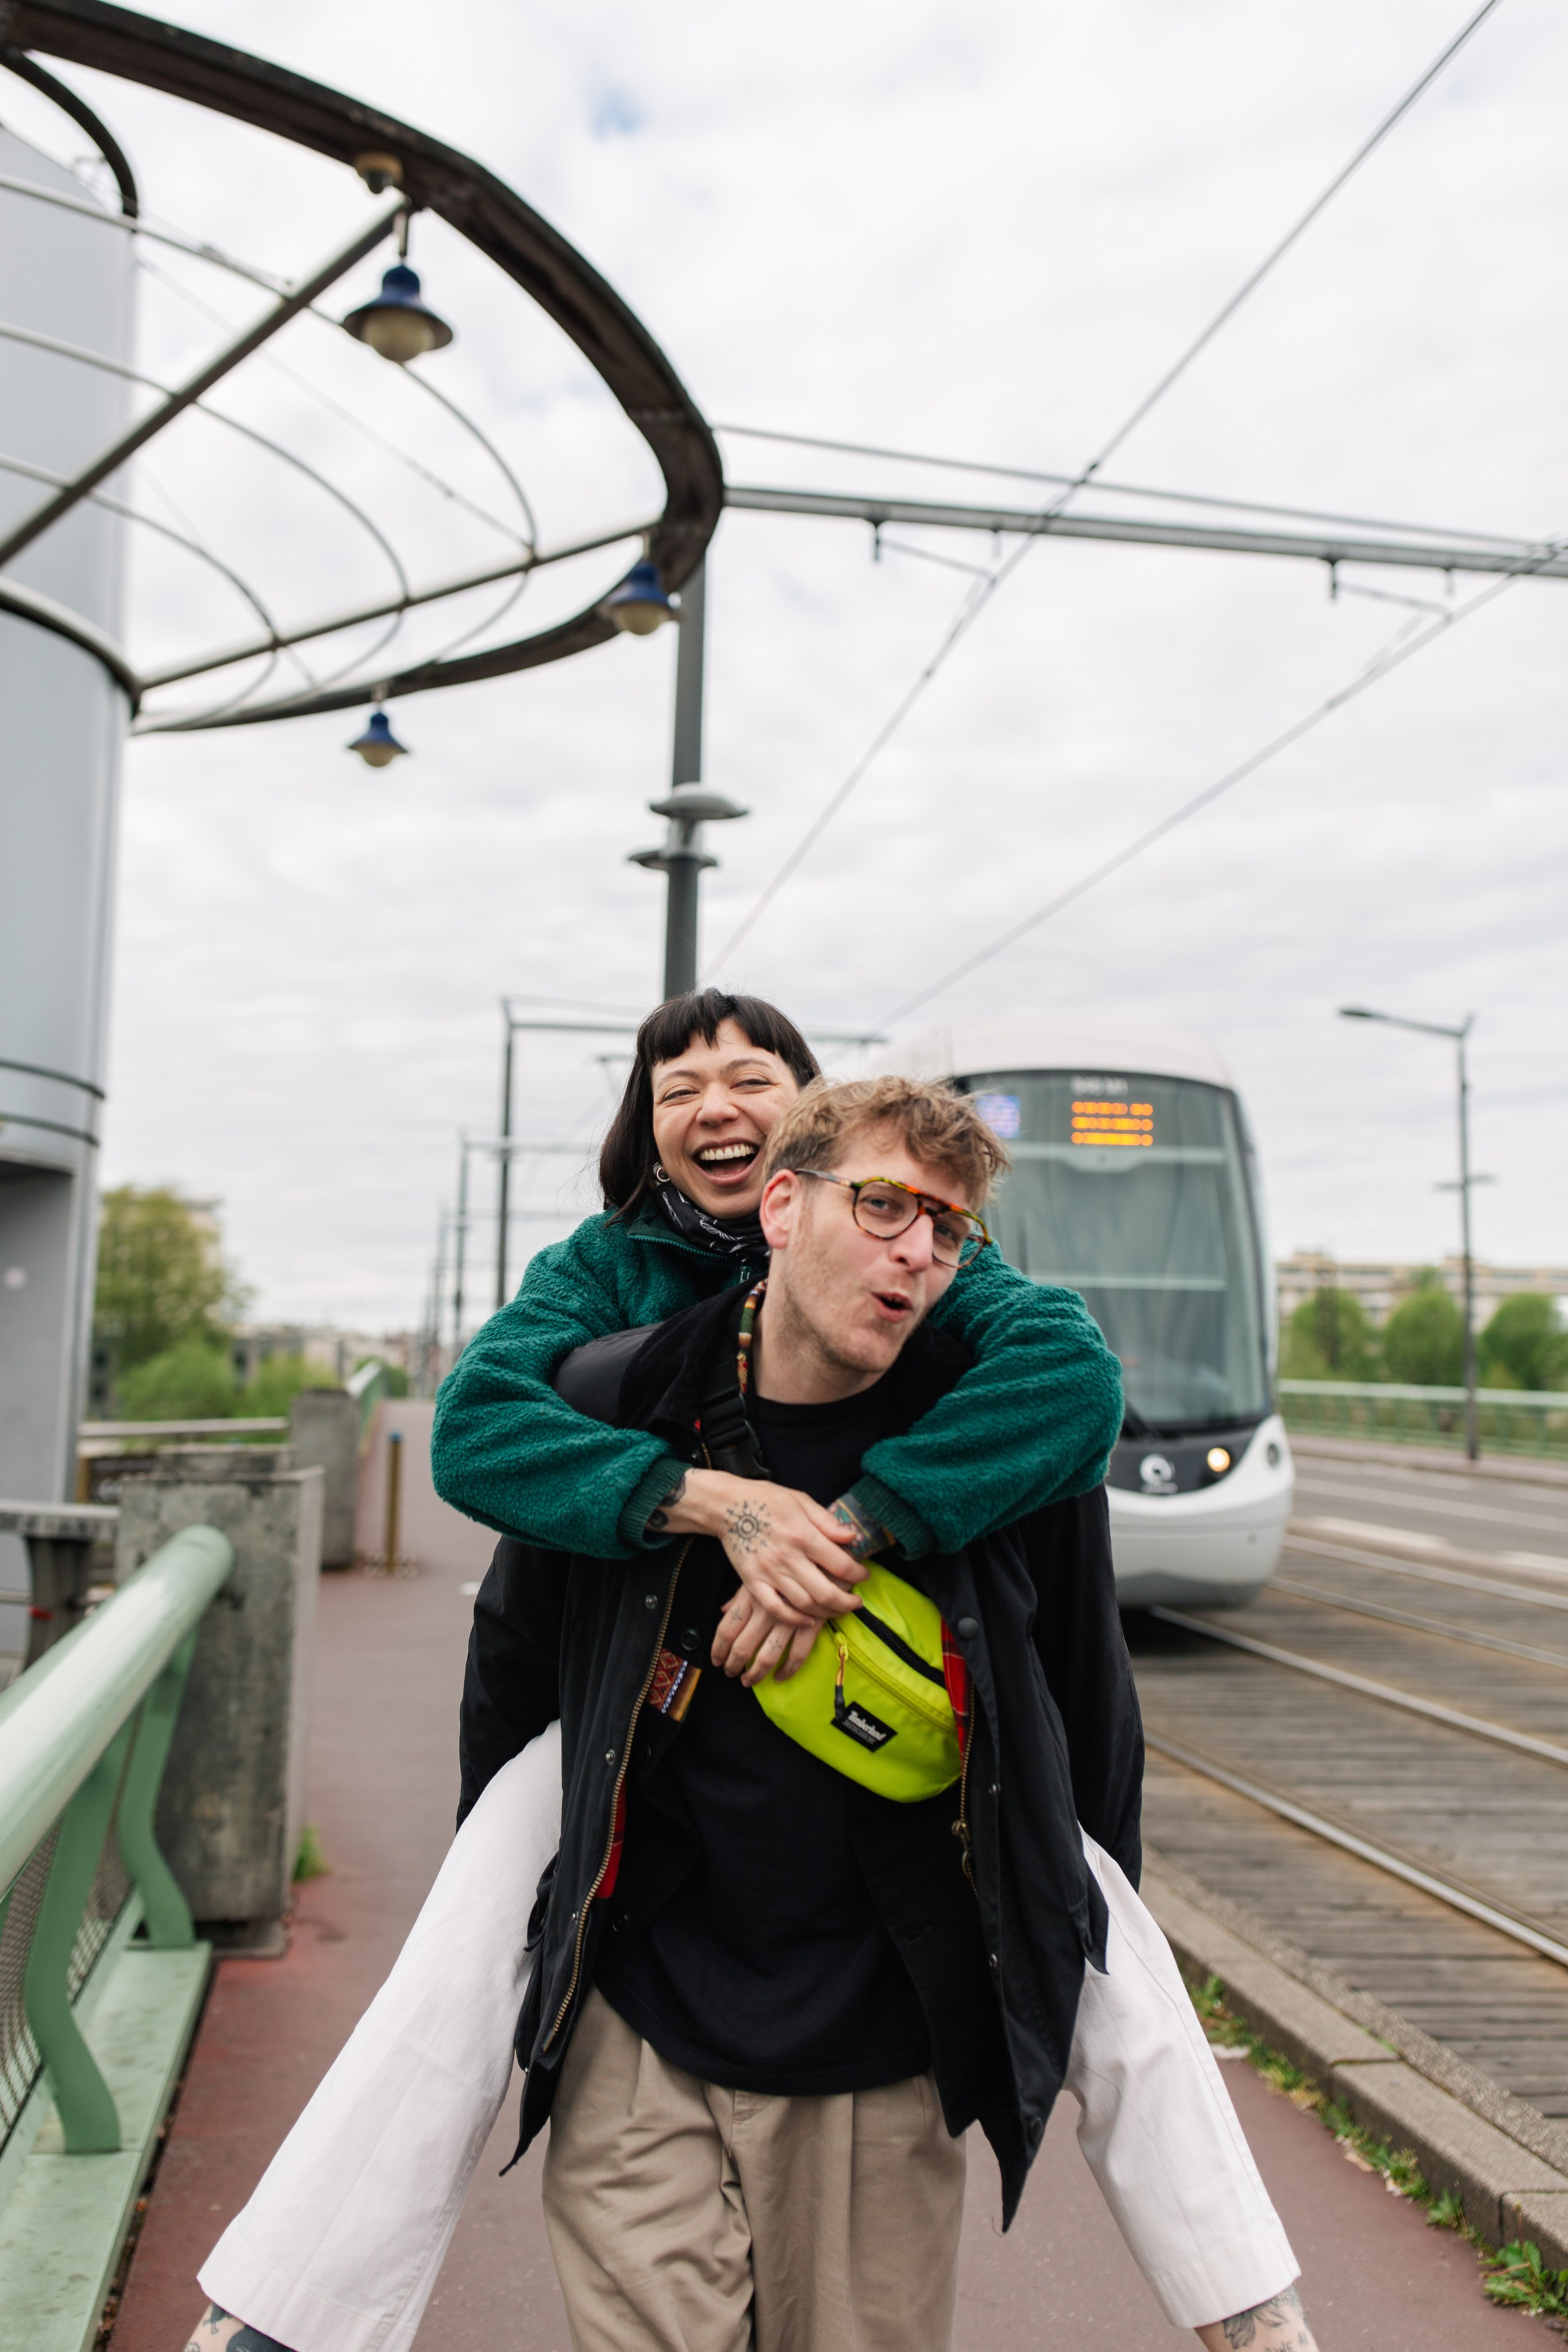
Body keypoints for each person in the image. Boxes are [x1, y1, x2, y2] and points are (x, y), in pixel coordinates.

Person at [456, 1074, 1321, 2352]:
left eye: (948, 1227)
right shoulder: (619, 1398)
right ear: (783, 1205)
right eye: (882, 1205)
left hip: (881, 2054)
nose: (916, 1250)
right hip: (639, 2032)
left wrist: (1069, 1946)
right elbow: (517, 1673)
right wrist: (517, 1922)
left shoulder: (994, 1438)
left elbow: (1085, 1702)